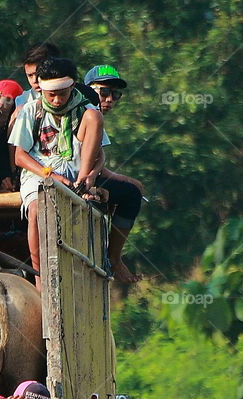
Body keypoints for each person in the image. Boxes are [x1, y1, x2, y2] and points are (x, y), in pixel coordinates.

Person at [8, 57, 104, 288]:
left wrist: (89, 177)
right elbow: (20, 157)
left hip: (76, 175)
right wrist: (49, 175)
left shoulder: (86, 110)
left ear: (72, 86)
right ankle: (40, 278)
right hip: (39, 173)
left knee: (95, 116)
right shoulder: (32, 110)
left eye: (62, 93)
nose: (57, 99)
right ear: (42, 89)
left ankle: (81, 275)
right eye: (52, 94)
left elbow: (100, 156)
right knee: (36, 211)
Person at [83, 64, 143, 283]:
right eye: (104, 92)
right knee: (131, 195)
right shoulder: (86, 112)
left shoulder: (95, 114)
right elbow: (86, 163)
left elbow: (96, 160)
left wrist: (126, 179)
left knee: (133, 188)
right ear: (88, 89)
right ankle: (114, 258)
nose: (109, 100)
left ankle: (114, 256)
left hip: (90, 174)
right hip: (76, 176)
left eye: (115, 95)